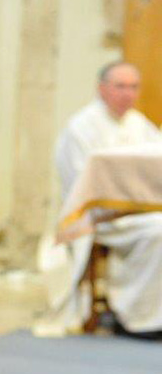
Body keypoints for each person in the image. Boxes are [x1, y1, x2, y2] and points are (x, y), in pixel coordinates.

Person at [41, 61, 162, 336]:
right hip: (101, 217)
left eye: (134, 87)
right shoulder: (82, 127)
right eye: (120, 86)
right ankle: (137, 317)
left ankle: (151, 311)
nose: (128, 94)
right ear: (102, 88)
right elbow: (80, 183)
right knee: (159, 231)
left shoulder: (139, 123)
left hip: (138, 213)